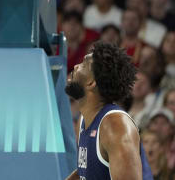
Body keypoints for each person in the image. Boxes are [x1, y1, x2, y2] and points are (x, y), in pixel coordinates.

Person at [65, 41, 153, 180]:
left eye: (83, 64)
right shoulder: (85, 119)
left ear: (91, 82)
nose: (76, 66)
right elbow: (88, 171)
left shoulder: (116, 126)